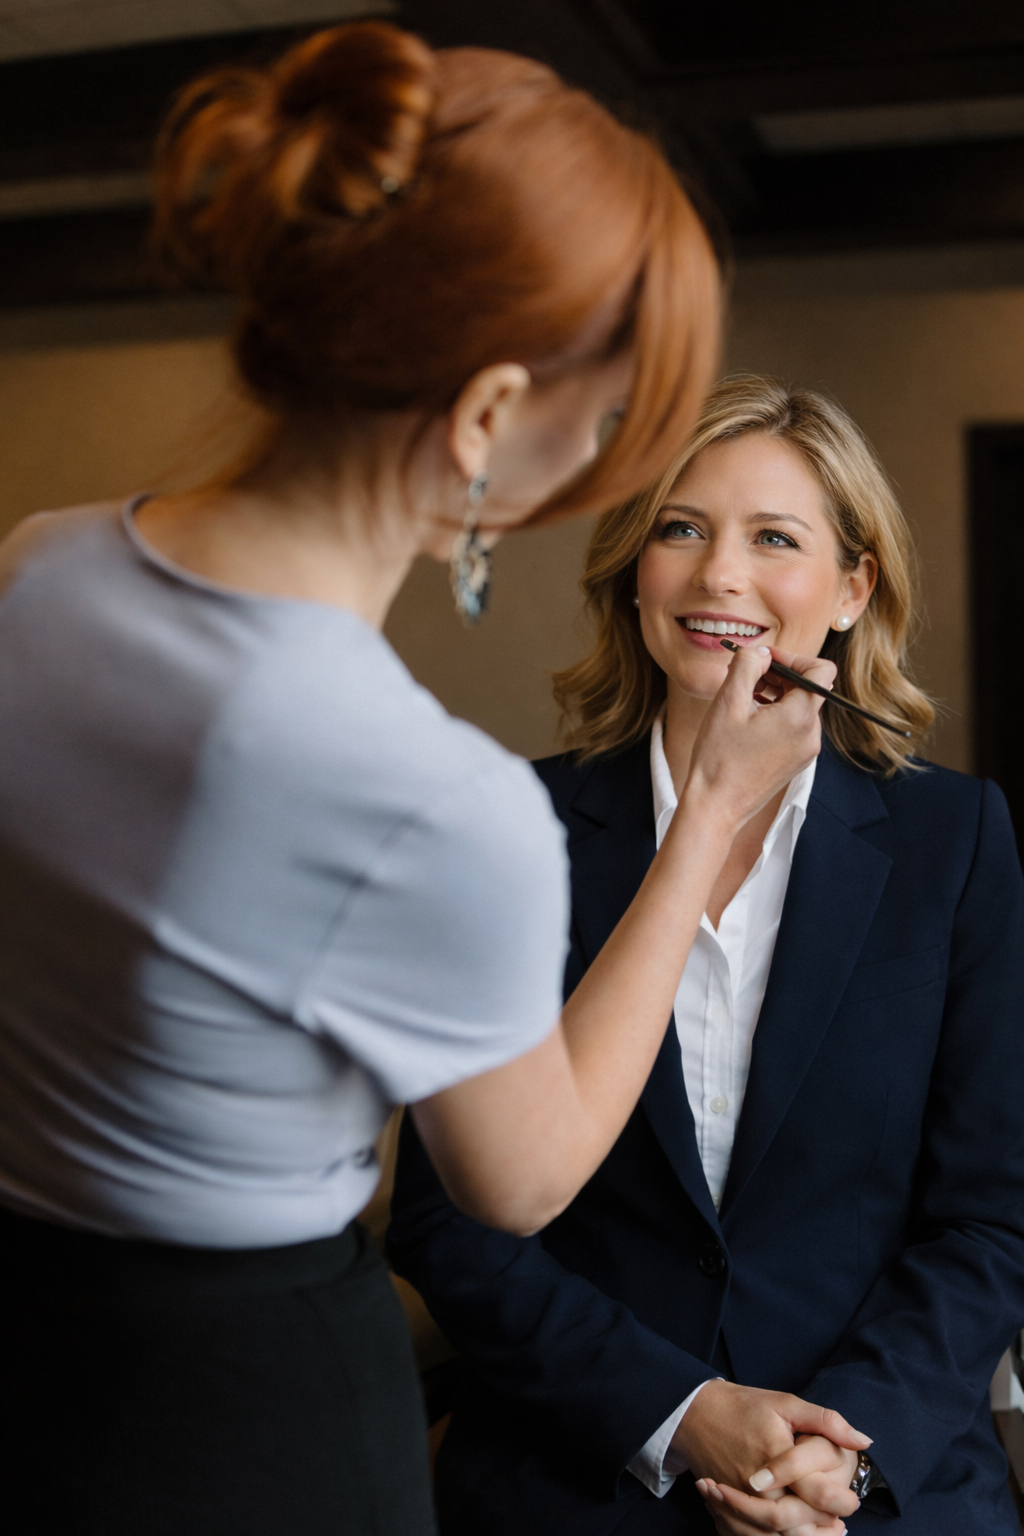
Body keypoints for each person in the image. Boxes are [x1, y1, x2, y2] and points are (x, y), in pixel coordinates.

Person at [0, 28, 867, 1536]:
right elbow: (517, 1184)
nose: (601, 471)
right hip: (239, 1401)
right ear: (482, 419)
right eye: (604, 426)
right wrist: (713, 819)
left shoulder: (37, 565)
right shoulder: (428, 796)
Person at [388, 374, 1024, 1536]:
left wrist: (831, 1458)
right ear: (635, 576)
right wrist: (679, 1413)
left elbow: (992, 1216)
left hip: (875, 1492)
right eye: (680, 528)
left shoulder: (956, 842)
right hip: (576, 1488)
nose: (718, 575)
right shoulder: (506, 829)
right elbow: (448, 1223)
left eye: (772, 538)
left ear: (850, 588)